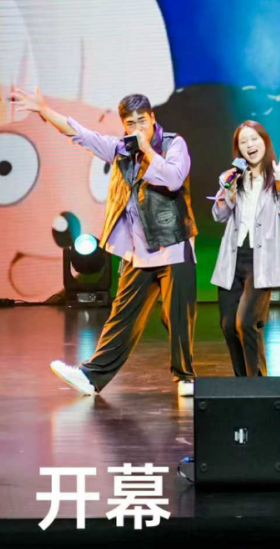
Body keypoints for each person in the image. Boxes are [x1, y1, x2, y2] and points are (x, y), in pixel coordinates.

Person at [11, 85, 197, 396]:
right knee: (122, 317)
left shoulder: (173, 143)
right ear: (123, 124)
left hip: (173, 246)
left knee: (177, 316)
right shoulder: (120, 150)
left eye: (141, 121)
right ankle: (91, 377)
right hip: (139, 254)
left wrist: (147, 151)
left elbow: (174, 179)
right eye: (130, 123)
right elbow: (80, 134)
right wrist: (43, 110)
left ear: (152, 118)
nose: (136, 128)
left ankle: (185, 378)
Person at [211, 122, 280, 376]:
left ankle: (257, 383)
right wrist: (227, 192)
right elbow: (218, 215)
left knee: (245, 322)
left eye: (254, 139)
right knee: (229, 325)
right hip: (232, 260)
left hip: (261, 261)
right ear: (238, 149)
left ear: (264, 142)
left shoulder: (278, 178)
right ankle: (244, 384)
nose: (250, 145)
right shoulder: (232, 178)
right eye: (243, 142)